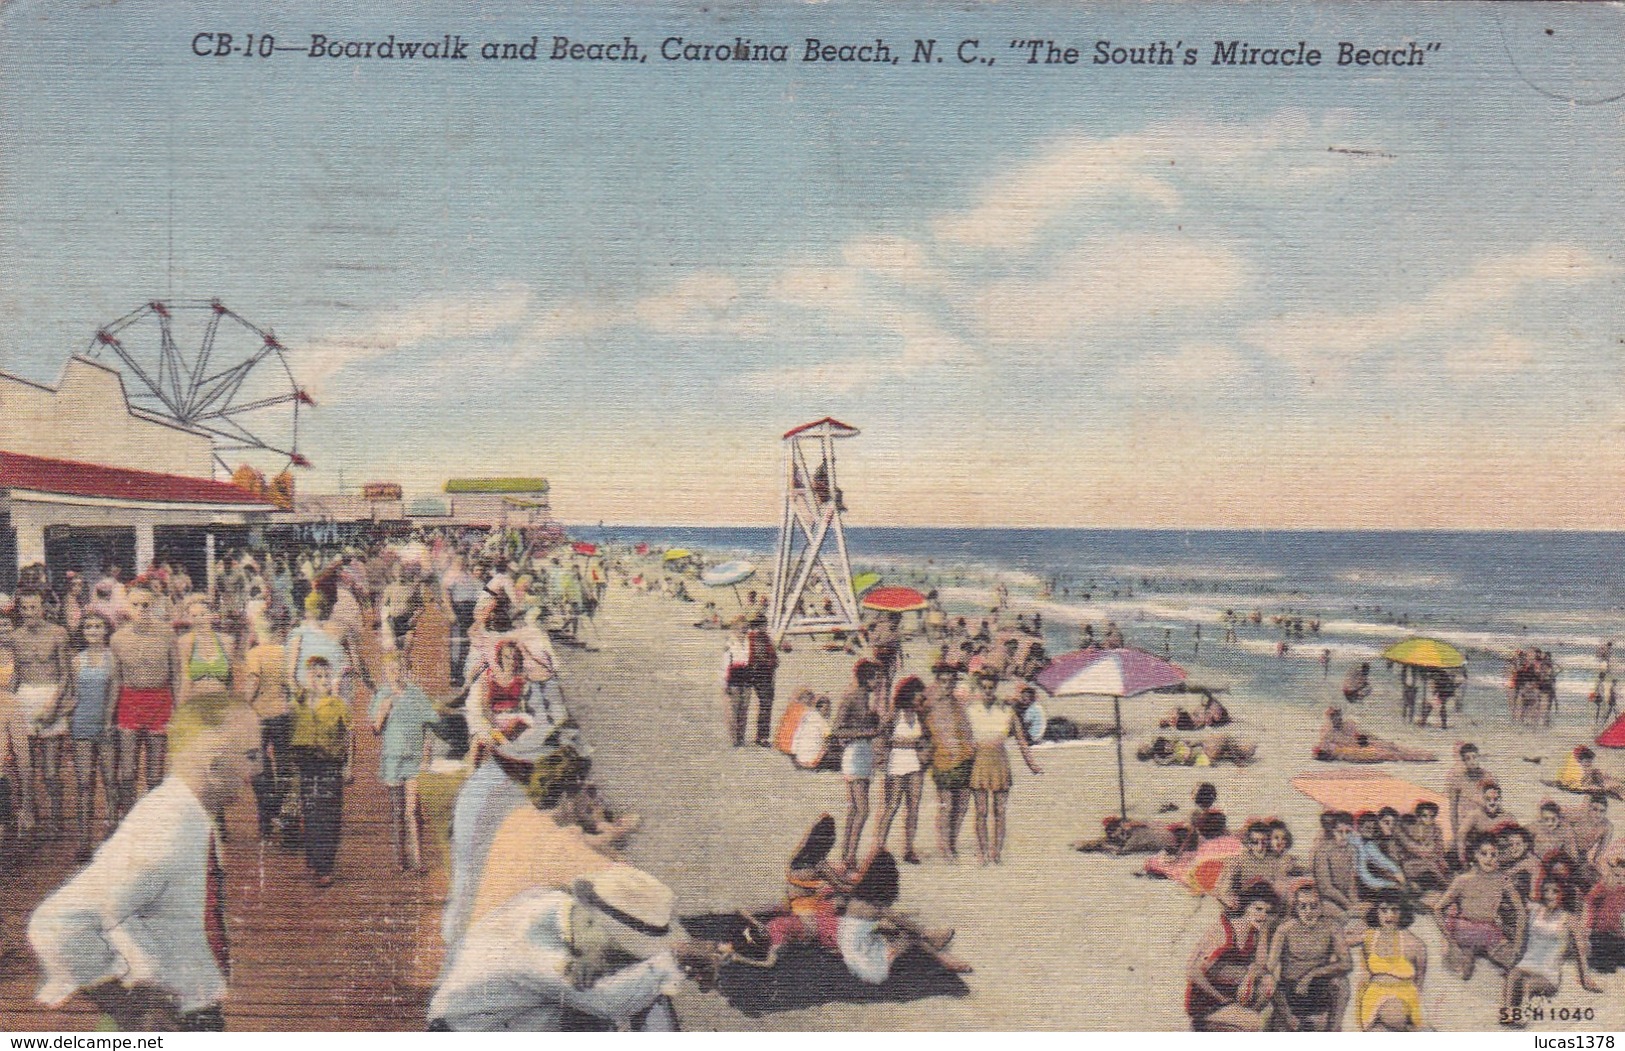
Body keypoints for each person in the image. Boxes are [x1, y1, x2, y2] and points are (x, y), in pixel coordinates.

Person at [28, 693, 261, 1031]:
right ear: (213, 765)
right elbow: (55, 922)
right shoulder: (165, 827)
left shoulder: (192, 816)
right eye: (251, 756)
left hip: (191, 1001)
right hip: (167, 1017)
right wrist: (129, 1008)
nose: (258, 769)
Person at [429, 865, 720, 1031]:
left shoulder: (556, 906)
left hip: (507, 1016)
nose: (622, 958)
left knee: (643, 989)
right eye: (622, 949)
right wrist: (674, 961)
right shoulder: (538, 951)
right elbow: (609, 1002)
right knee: (635, 994)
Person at [369, 653, 439, 872]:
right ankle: (400, 859)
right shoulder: (382, 695)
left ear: (406, 671)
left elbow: (430, 726)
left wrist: (427, 754)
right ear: (385, 672)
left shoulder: (416, 694)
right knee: (397, 810)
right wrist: (384, 709)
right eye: (390, 669)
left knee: (412, 810)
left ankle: (418, 859)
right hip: (392, 758)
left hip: (414, 758)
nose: (394, 673)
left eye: (398, 669)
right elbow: (376, 729)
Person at [966, 668, 1042, 865]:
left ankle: (996, 853)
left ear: (996, 687)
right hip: (980, 760)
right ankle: (983, 852)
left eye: (991, 687)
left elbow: (1021, 740)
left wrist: (1032, 764)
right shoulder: (972, 709)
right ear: (980, 688)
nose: (988, 691)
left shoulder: (1007, 710)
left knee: (1000, 811)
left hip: (1000, 759)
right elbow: (964, 738)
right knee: (981, 811)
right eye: (984, 688)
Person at [11, 590, 71, 837]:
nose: (29, 613)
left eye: (33, 608)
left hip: (50, 696)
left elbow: (66, 675)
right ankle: (29, 814)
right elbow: (15, 675)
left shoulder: (58, 634)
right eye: (24, 609)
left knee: (50, 770)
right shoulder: (15, 638)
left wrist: (54, 706)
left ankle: (56, 818)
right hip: (23, 699)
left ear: (42, 608)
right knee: (25, 766)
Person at [1502, 878, 1602, 1026]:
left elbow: (1580, 952)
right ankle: (1508, 1013)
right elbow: (1518, 902)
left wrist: (1585, 978)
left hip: (1548, 974)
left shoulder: (1569, 919)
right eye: (1546, 891)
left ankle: (1523, 1014)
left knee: (1528, 984)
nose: (1550, 895)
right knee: (1513, 975)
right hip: (1526, 965)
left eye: (1555, 891)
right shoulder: (1535, 909)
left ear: (1563, 894)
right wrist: (1507, 884)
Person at [290, 656, 352, 888]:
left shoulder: (338, 705)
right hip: (307, 763)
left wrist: (349, 766)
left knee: (329, 815)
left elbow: (349, 736)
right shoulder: (299, 702)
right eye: (318, 676)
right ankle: (315, 859)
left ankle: (326, 866)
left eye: (327, 676)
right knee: (311, 811)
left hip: (331, 764)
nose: (324, 680)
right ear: (310, 679)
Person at [1185, 886, 1276, 1032]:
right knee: (1255, 1023)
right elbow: (1192, 971)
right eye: (1258, 909)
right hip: (1207, 1001)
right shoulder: (1224, 931)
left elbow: (1260, 966)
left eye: (1267, 911)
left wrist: (1264, 932)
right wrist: (1221, 999)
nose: (1263, 915)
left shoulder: (1254, 933)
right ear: (1246, 907)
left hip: (1230, 996)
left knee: (1268, 983)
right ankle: (1205, 1026)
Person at [240, 606, 295, 844]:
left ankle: (267, 814)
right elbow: (290, 685)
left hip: (258, 716)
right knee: (283, 764)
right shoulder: (286, 652)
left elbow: (253, 682)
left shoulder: (255, 654)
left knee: (258, 767)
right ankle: (280, 810)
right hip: (282, 714)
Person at [1439, 833, 1527, 981]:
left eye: (1493, 854)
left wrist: (1517, 944)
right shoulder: (1462, 880)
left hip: (1489, 930)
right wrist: (1450, 940)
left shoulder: (1502, 879)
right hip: (1464, 929)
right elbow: (1437, 908)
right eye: (1484, 854)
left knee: (1513, 962)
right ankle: (1470, 951)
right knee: (1465, 973)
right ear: (1475, 855)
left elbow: (1521, 911)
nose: (1489, 858)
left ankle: (1480, 950)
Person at [66, 611, 118, 860]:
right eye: (88, 628)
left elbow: (114, 693)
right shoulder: (77, 660)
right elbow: (73, 695)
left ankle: (114, 832)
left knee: (110, 780)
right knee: (84, 783)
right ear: (83, 632)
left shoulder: (113, 658)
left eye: (98, 627)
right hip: (82, 724)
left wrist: (109, 722)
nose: (93, 631)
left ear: (106, 630)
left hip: (106, 725)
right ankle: (84, 840)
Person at [1266, 885, 1351, 1031]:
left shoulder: (1331, 927)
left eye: (1313, 906)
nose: (1308, 912)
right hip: (1290, 990)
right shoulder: (1285, 929)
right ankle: (1291, 1020)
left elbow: (1347, 964)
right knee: (1269, 982)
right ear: (1296, 908)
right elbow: (1269, 967)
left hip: (1318, 988)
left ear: (1321, 907)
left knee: (1341, 983)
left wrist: (1312, 974)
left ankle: (1334, 1031)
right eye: (1303, 906)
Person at [832, 659, 885, 870]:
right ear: (866, 677)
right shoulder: (853, 697)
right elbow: (836, 729)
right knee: (862, 809)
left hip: (861, 751)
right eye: (875, 677)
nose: (878, 682)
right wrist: (868, 732)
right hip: (856, 752)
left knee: (855, 809)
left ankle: (847, 854)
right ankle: (850, 856)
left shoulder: (862, 696)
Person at [873, 676, 928, 864]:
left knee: (913, 807)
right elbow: (880, 736)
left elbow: (926, 740)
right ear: (910, 694)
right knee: (892, 805)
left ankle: (909, 848)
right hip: (896, 761)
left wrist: (923, 750)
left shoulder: (920, 715)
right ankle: (879, 847)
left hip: (915, 762)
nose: (921, 698)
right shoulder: (895, 714)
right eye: (919, 694)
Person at [1355, 890, 1427, 1031]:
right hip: (1374, 995)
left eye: (1395, 910)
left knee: (1393, 1016)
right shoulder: (1369, 937)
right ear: (1377, 912)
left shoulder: (1415, 944)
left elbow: (1420, 979)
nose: (1389, 915)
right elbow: (1364, 976)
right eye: (1384, 910)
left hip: (1403, 997)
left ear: (1402, 913)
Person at [175, 597, 234, 707]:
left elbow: (230, 679)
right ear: (189, 619)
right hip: (195, 702)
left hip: (220, 704)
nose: (199, 619)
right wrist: (180, 709)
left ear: (212, 615)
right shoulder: (185, 642)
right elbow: (185, 679)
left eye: (203, 614)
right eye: (194, 616)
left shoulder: (227, 641)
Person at [1446, 743, 1494, 854]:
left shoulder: (1488, 777)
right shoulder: (1457, 780)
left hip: (1484, 824)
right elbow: (1452, 810)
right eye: (1468, 758)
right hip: (1465, 827)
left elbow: (1495, 803)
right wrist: (1456, 834)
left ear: (1479, 757)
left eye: (1474, 757)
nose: (1472, 761)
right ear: (1464, 761)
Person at [1311, 811, 1359, 919]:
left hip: (1345, 900)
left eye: (1348, 832)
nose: (1344, 836)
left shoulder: (1352, 850)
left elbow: (1351, 884)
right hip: (1325, 901)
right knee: (1346, 918)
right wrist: (1349, 905)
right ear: (1333, 831)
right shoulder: (1322, 851)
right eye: (1340, 832)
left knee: (1361, 918)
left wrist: (1355, 904)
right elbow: (1326, 888)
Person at [1583, 855, 1625, 975]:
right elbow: (1589, 903)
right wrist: (1589, 926)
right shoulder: (1603, 887)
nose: (1620, 879)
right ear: (1611, 874)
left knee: (1618, 956)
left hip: (1618, 935)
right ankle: (1596, 959)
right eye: (1617, 875)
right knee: (1605, 966)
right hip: (1600, 932)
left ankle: (1612, 958)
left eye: (1624, 877)